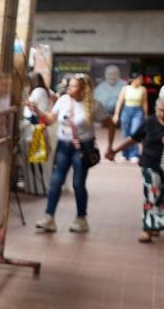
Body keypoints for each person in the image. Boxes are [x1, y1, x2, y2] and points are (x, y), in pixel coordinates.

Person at [28, 74, 107, 233]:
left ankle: (81, 218)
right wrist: (37, 110)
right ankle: (49, 218)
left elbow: (110, 123)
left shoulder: (94, 105)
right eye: (69, 85)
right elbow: (50, 119)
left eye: (73, 86)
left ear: (83, 89)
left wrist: (110, 147)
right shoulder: (64, 100)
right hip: (63, 145)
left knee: (78, 183)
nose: (69, 88)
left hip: (82, 148)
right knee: (56, 181)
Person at [106, 95, 164, 243]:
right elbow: (133, 138)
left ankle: (157, 224)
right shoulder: (149, 122)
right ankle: (147, 229)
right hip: (150, 165)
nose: (162, 114)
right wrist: (114, 151)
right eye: (159, 110)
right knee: (152, 195)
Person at [113, 73, 149, 162]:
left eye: (141, 79)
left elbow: (145, 103)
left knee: (134, 132)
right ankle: (125, 154)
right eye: (139, 79)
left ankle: (134, 154)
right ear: (133, 79)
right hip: (126, 110)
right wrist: (116, 114)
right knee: (125, 132)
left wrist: (146, 114)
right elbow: (119, 102)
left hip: (138, 111)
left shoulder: (143, 89)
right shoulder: (125, 89)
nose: (141, 81)